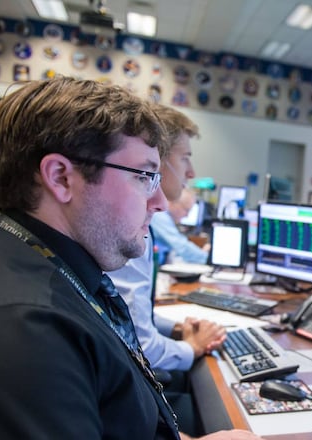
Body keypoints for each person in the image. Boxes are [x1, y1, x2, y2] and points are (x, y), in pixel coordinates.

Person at [0, 77, 260, 440]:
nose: (160, 202)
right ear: (61, 177)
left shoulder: (26, 260)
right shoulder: (21, 332)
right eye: (144, 176)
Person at [107, 105, 225, 434]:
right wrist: (192, 347)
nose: (191, 172)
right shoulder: (128, 227)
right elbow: (138, 343)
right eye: (185, 158)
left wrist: (175, 329)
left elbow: (125, 313)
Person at [153, 187, 210, 264]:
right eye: (186, 210)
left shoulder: (163, 216)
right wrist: (208, 258)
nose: (187, 215)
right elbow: (181, 246)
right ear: (173, 202)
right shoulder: (159, 216)